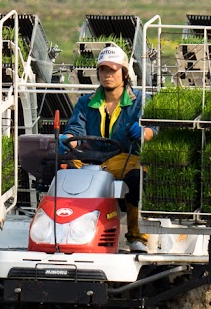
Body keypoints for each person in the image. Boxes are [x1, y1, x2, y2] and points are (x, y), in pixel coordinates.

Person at [63, 44, 154, 253]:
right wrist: (68, 139)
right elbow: (75, 129)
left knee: (137, 179)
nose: (107, 75)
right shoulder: (86, 102)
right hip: (92, 160)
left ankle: (137, 237)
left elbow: (154, 128)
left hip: (126, 158)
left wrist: (144, 132)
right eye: (103, 70)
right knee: (63, 173)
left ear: (124, 73)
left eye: (112, 70)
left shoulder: (141, 100)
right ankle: (68, 232)